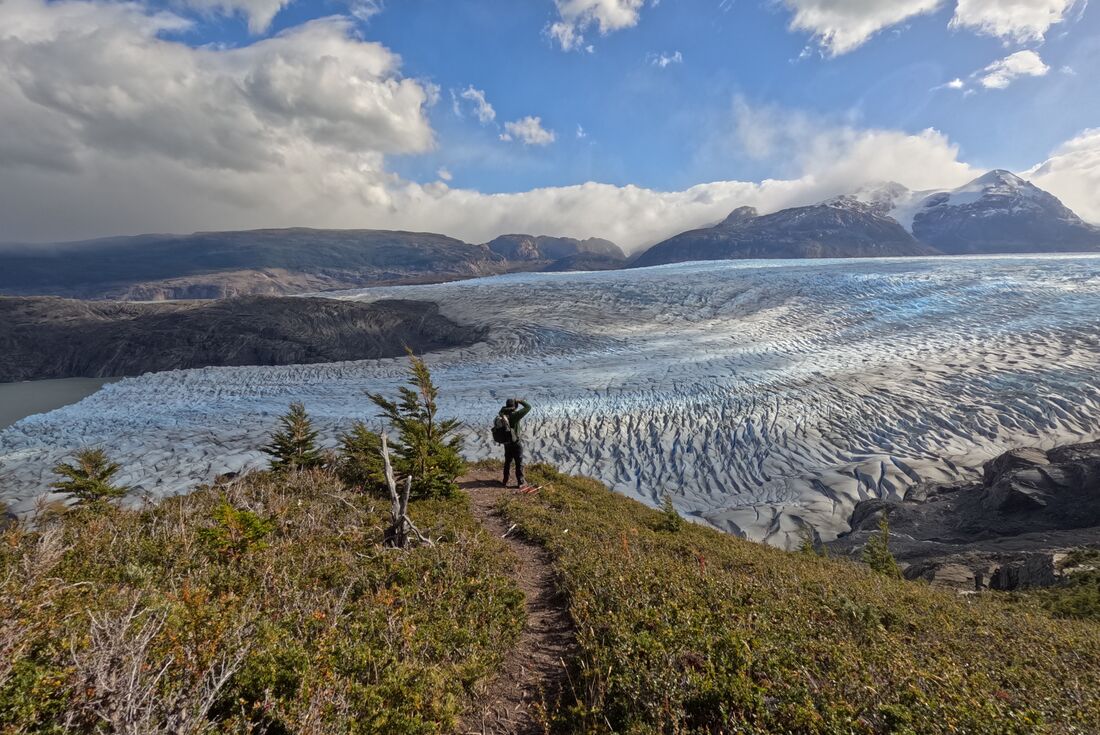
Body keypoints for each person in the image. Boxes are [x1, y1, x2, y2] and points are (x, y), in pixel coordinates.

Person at [499, 398, 531, 488]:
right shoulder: (515, 415)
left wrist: (509, 408)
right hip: (516, 442)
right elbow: (528, 407)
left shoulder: (502, 414)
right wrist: (520, 401)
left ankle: (505, 480)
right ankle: (520, 482)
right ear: (514, 406)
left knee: (507, 462)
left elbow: (502, 409)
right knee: (519, 462)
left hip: (507, 443)